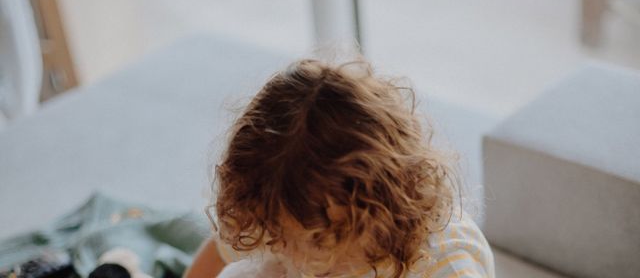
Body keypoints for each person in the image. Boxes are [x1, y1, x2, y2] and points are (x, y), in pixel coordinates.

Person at [186, 58, 494, 278]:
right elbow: (218, 253)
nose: (286, 253)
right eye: (280, 240)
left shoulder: (446, 264)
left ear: (373, 218)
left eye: (312, 247)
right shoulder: (278, 209)